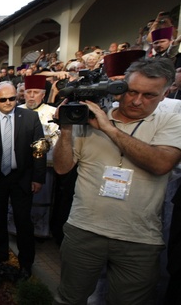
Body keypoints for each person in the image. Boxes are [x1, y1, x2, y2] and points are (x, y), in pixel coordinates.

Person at [53, 57, 181, 304]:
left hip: (140, 240)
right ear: (120, 86)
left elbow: (161, 164)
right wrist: (66, 129)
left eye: (149, 95)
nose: (136, 100)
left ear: (165, 94)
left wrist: (108, 128)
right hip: (84, 230)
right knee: (69, 299)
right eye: (131, 91)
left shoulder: (172, 121)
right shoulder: (86, 118)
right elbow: (61, 167)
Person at [0, 81, 46, 280]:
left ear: (17, 97)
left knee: (23, 222)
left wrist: (38, 178)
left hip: (22, 178)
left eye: (12, 98)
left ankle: (26, 263)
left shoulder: (31, 118)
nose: (8, 103)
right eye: (3, 99)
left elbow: (39, 150)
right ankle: (1, 254)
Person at [19, 75, 59, 238]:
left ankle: (39, 231)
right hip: (19, 167)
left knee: (40, 201)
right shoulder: (16, 110)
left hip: (43, 167)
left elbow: (55, 138)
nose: (31, 96)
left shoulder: (52, 113)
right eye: (28, 92)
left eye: (35, 92)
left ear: (43, 95)